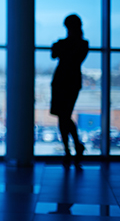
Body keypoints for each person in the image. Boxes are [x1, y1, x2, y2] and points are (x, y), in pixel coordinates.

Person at [51, 14, 89, 167]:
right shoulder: (82, 44)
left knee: (63, 116)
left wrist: (60, 47)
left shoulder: (66, 44)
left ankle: (70, 149)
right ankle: (73, 147)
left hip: (63, 81)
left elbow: (57, 54)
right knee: (63, 116)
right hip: (69, 81)